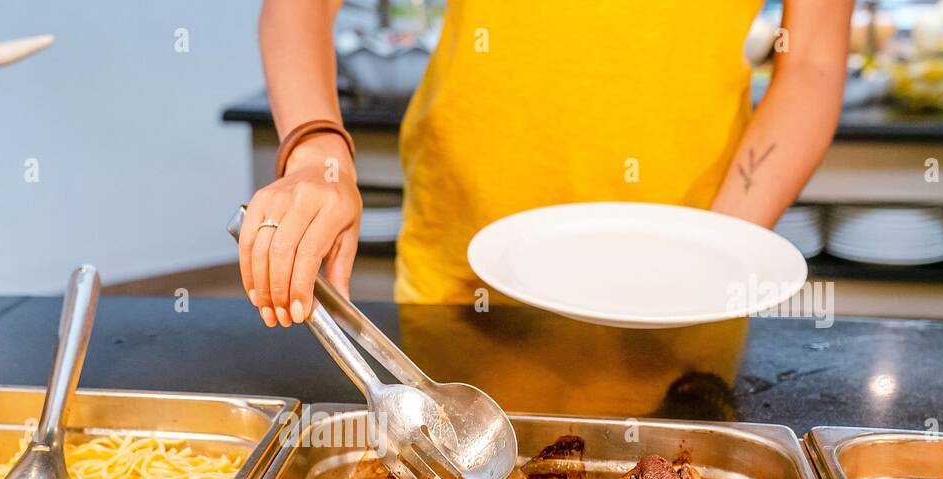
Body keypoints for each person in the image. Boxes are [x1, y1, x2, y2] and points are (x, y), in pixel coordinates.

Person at [237, 0, 852, 328]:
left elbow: (814, 60)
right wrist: (317, 150)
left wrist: (714, 253)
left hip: (685, 285)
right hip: (465, 283)